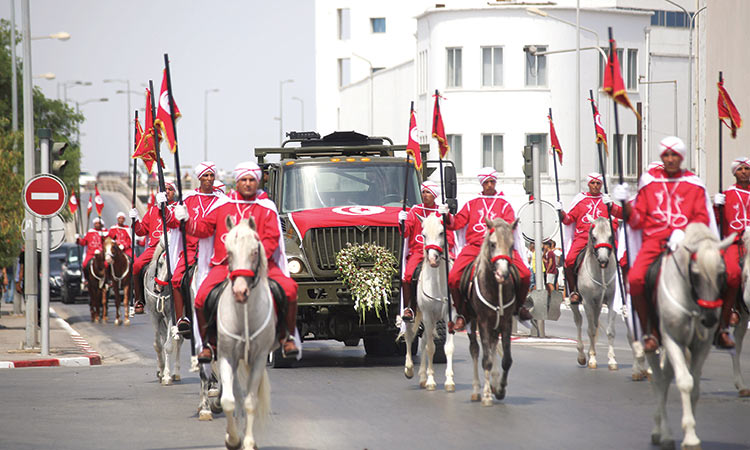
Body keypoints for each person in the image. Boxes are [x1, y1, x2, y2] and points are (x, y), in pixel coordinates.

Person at [175, 161, 299, 362]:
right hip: (225, 265)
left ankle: (287, 337)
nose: (248, 184)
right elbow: (203, 229)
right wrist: (186, 220)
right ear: (238, 182)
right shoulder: (223, 206)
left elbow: (271, 238)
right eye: (244, 180)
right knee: (201, 298)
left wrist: (254, 261)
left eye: (252, 180)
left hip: (260, 265)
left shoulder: (266, 207)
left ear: (257, 182)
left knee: (290, 290)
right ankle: (209, 343)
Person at [613, 136, 717, 352]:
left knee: (716, 271)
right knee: (635, 279)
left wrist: (684, 233)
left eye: (674, 156)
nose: (670, 160)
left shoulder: (694, 183)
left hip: (686, 242)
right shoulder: (650, 183)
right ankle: (649, 331)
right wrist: (625, 205)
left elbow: (702, 217)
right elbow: (637, 219)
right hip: (654, 241)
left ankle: (718, 321)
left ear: (681, 158)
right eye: (666, 155)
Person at [441, 167, 532, 332]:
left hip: (500, 247)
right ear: (482, 184)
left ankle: (519, 307)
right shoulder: (471, 204)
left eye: (492, 182)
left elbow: (510, 224)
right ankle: (462, 314)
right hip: (474, 246)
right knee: (453, 278)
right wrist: (446, 215)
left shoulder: (504, 205)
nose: (490, 185)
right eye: (486, 182)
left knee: (525, 274)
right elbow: (456, 224)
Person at [171, 162, 222, 336]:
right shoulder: (188, 198)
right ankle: (181, 319)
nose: (209, 179)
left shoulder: (221, 199)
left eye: (211, 175)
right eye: (205, 176)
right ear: (199, 177)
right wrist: (167, 211)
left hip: (216, 249)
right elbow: (173, 223)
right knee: (177, 278)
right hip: (192, 249)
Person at [556, 172, 622, 304]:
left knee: (621, 260)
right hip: (583, 238)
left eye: (598, 183)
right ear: (588, 184)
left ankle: (621, 292)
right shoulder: (581, 201)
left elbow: (620, 216)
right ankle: (574, 291)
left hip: (603, 238)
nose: (596, 186)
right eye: (593, 183)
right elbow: (568, 220)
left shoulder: (606, 201)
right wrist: (561, 212)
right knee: (569, 261)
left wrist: (612, 207)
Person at [397, 180, 456, 322]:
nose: (425, 195)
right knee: (408, 276)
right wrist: (402, 222)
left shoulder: (441, 211)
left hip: (439, 250)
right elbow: (406, 233)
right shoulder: (415, 210)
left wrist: (447, 216)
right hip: (419, 250)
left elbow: (451, 230)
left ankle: (457, 304)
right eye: (423, 192)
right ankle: (409, 308)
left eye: (428, 192)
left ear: (434, 195)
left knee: (456, 273)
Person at [711, 156, 749, 348]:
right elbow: (715, 221)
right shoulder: (727, 194)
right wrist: (716, 206)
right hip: (733, 242)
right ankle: (731, 312)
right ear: (734, 173)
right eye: (740, 169)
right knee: (733, 272)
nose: (744, 172)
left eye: (747, 169)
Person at [130, 183, 177, 314]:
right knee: (136, 265)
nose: (167, 192)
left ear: (174, 193)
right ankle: (139, 299)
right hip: (154, 248)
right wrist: (135, 221)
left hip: (172, 247)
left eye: (170, 190)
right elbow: (140, 231)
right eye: (164, 189)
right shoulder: (152, 211)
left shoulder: (177, 208)